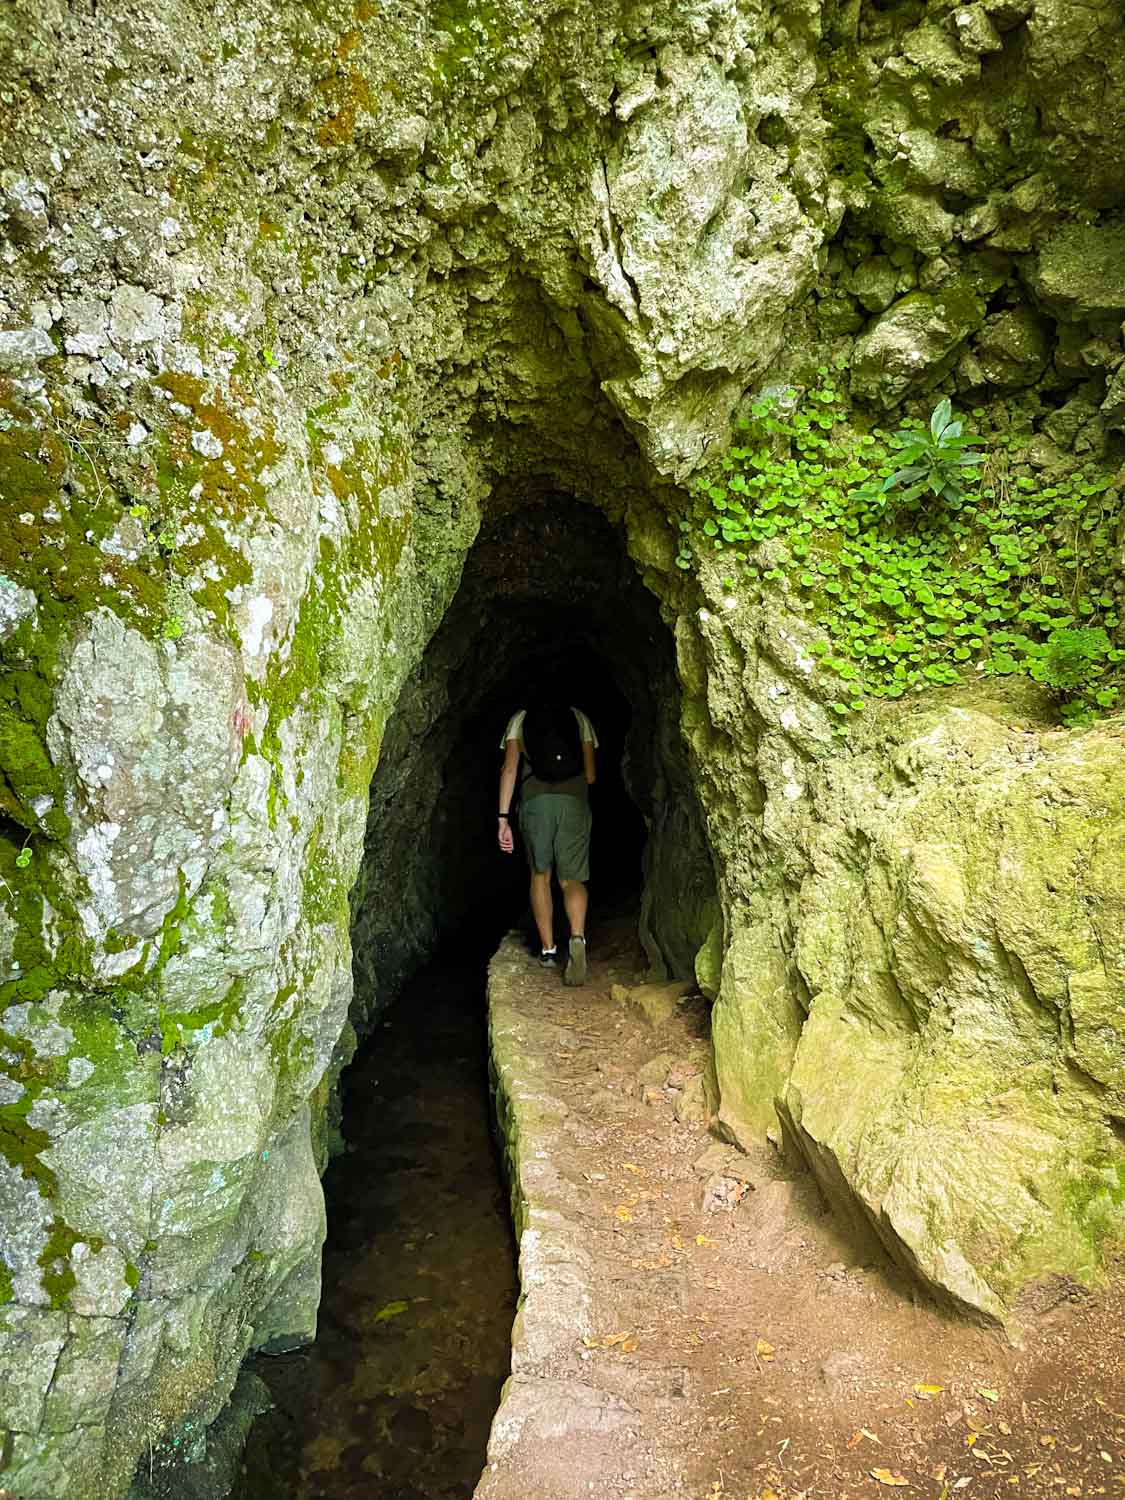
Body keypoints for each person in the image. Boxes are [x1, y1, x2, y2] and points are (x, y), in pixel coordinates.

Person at [497, 701, 597, 985]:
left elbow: (509, 769)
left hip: (535, 803)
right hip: (574, 802)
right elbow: (590, 775)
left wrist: (503, 817)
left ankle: (548, 949)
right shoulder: (579, 718)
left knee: (540, 875)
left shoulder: (521, 718)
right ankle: (577, 937)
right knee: (573, 879)